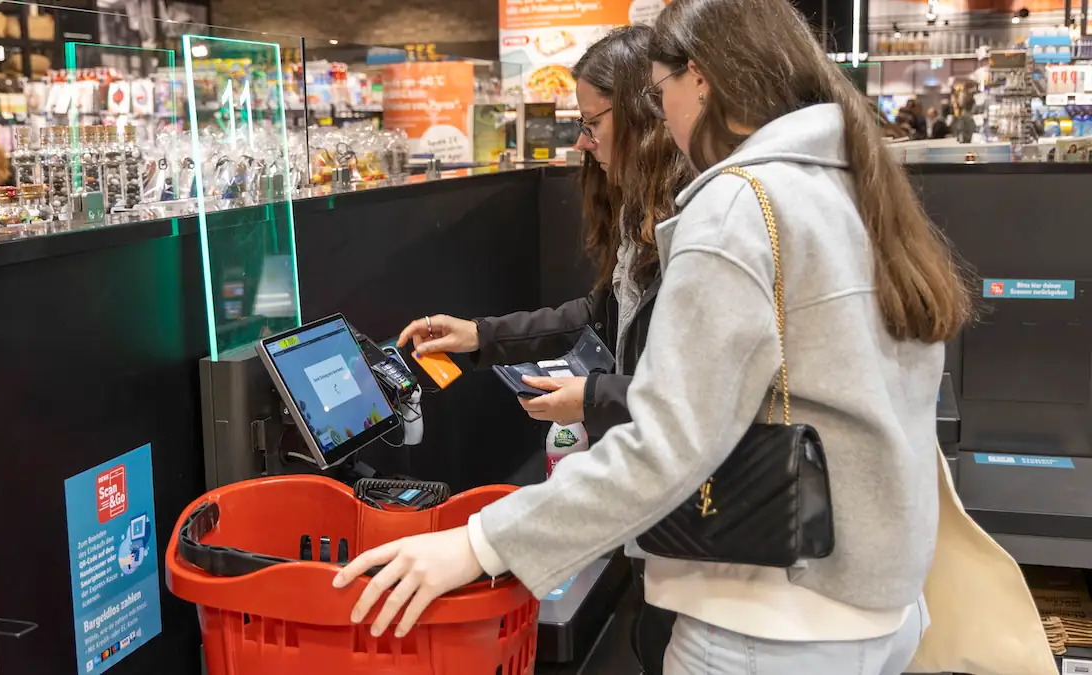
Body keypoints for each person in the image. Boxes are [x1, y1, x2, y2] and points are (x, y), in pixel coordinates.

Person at [335, 2, 972, 674]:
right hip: (876, 606)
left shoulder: (739, 205)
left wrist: (478, 544)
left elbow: (668, 441)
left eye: (660, 90)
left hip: (769, 620)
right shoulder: (851, 181)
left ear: (700, 79)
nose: (662, 116)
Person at [391, 26, 690, 672]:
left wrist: (595, 397)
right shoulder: (645, 221)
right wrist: (482, 338)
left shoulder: (702, 229)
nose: (584, 141)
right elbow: (597, 315)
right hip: (669, 550)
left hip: (705, 557)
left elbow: (695, 404)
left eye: (593, 123)